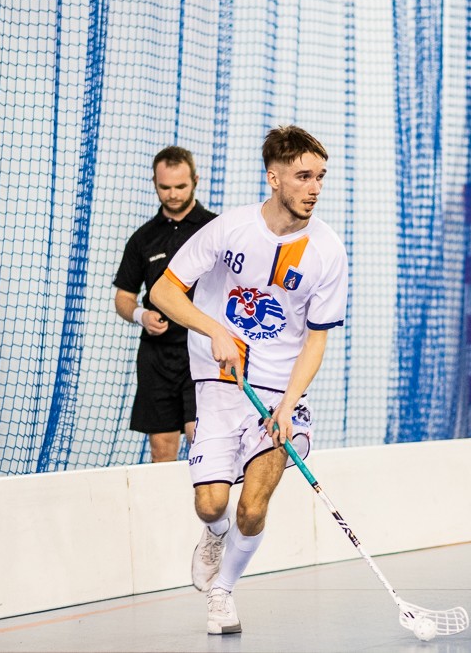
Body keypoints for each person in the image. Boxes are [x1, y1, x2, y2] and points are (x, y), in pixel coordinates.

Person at [150, 125, 348, 635]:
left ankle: (223, 592)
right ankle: (213, 535)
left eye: (320, 177)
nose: (314, 187)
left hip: (280, 393)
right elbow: (164, 293)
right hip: (218, 384)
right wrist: (214, 329)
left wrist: (288, 404)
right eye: (303, 176)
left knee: (253, 507)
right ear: (274, 178)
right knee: (211, 505)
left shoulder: (328, 250)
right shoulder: (229, 230)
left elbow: (316, 341)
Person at [113, 146, 216, 463]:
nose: (172, 194)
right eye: (165, 187)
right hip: (157, 356)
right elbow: (123, 297)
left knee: (202, 441)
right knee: (161, 449)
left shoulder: (215, 230)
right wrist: (140, 315)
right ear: (155, 184)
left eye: (180, 186)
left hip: (203, 351)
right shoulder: (142, 238)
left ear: (195, 180)